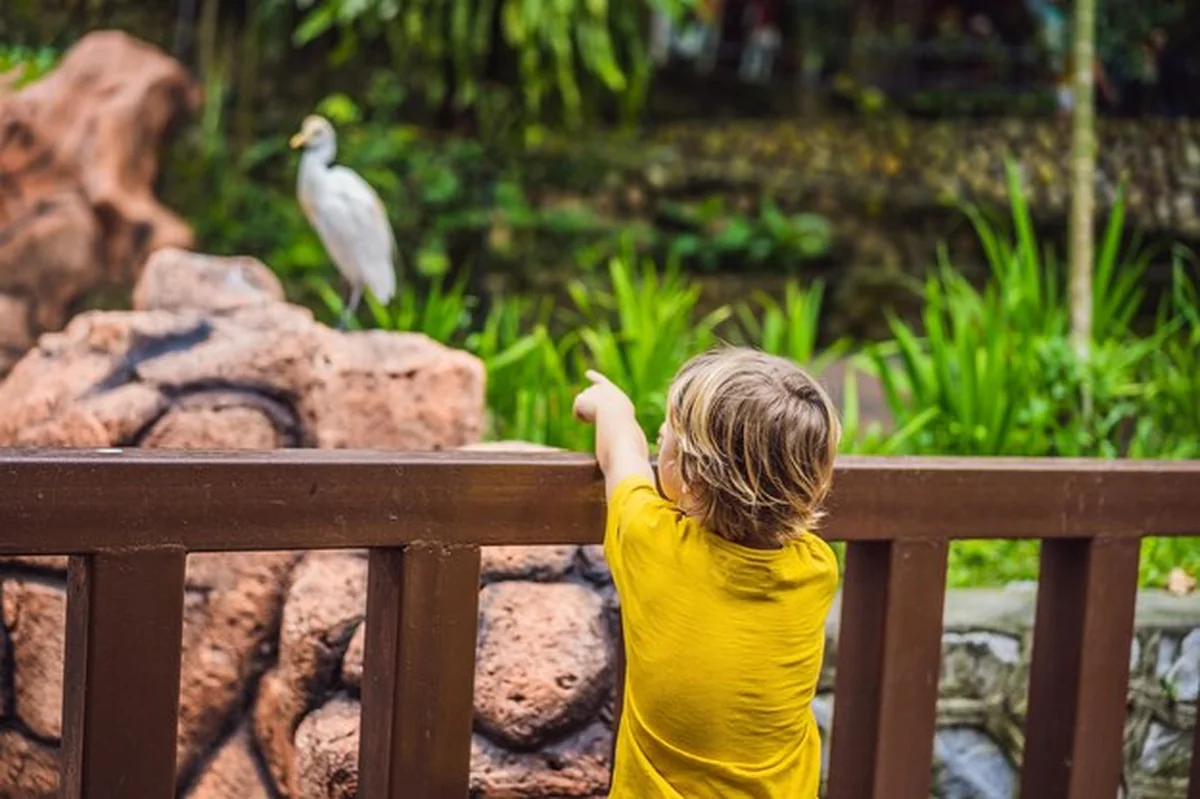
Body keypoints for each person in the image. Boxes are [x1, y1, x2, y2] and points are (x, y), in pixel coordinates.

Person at [573, 347, 841, 798]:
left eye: (669, 436)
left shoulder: (652, 540)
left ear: (691, 473)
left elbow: (621, 454)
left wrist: (611, 405)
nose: (660, 437)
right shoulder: (815, 568)